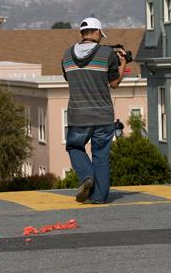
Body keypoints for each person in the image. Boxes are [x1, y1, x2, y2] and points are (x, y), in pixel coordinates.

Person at [62, 17, 127, 203]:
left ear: (81, 33)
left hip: (78, 115)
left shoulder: (66, 56)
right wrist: (122, 63)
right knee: (101, 156)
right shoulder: (107, 54)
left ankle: (86, 176)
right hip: (103, 115)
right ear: (98, 32)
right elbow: (114, 83)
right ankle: (99, 197)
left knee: (75, 147)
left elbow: (71, 79)